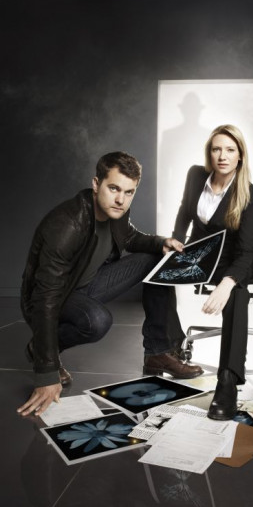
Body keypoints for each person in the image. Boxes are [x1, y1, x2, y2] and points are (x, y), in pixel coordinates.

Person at [18, 151, 203, 417]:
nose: (120, 199)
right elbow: (45, 298)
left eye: (129, 192)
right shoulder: (67, 225)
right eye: (114, 188)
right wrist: (45, 372)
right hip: (54, 296)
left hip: (88, 284)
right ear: (96, 184)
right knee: (97, 321)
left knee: (158, 259)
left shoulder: (116, 211)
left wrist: (161, 242)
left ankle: (157, 352)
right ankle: (42, 348)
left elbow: (130, 237)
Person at [172, 124, 253, 420]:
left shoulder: (249, 194)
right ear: (209, 153)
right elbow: (185, 211)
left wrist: (227, 283)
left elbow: (245, 253)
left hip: (229, 263)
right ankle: (163, 349)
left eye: (230, 150)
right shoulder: (196, 175)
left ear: (240, 155)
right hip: (197, 256)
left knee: (237, 295)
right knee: (151, 270)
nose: (222, 156)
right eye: (216, 149)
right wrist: (176, 240)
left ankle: (228, 381)